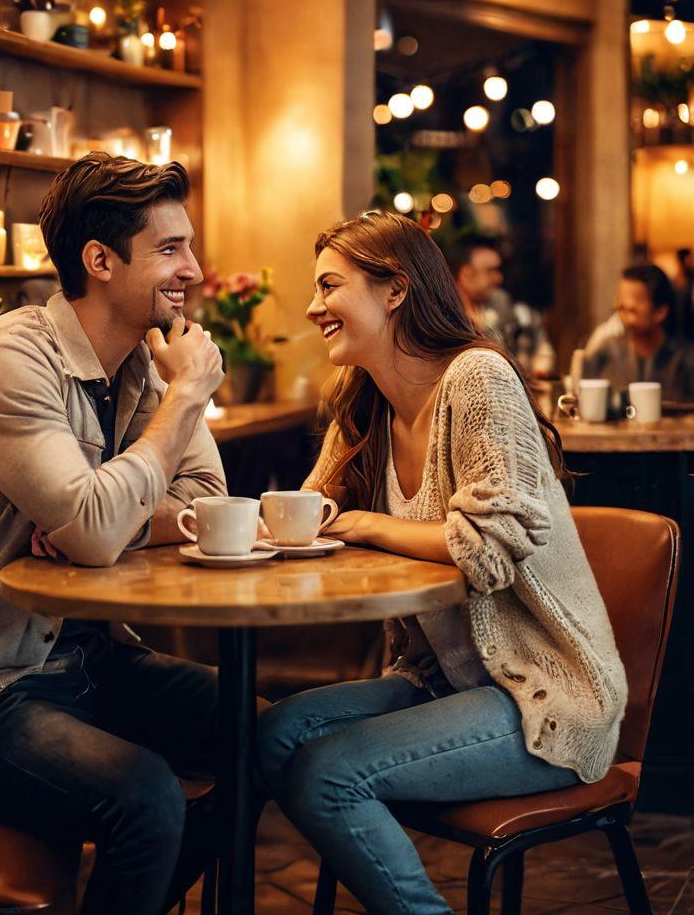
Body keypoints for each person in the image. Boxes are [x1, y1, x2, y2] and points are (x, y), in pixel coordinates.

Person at [257, 210, 627, 915]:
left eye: (329, 286)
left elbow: (484, 547)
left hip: (543, 694)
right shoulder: (363, 405)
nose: (312, 307)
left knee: (327, 776)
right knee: (275, 735)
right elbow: (306, 518)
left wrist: (365, 522)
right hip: (441, 684)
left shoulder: (477, 380)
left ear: (394, 289)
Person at [0, 153, 228, 915]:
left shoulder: (147, 367)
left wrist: (114, 523)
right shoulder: (10, 361)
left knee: (266, 738)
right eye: (171, 249)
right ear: (100, 260)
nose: (197, 269)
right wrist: (183, 403)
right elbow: (92, 527)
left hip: (97, 660)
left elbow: (206, 496)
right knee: (146, 797)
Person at [583, 263, 694, 402]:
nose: (621, 314)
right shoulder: (606, 350)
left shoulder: (684, 359)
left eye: (631, 310)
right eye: (620, 307)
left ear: (660, 312)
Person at [445, 232, 505, 338]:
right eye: (490, 270)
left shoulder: (497, 307)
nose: (499, 278)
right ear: (465, 274)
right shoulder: (444, 320)